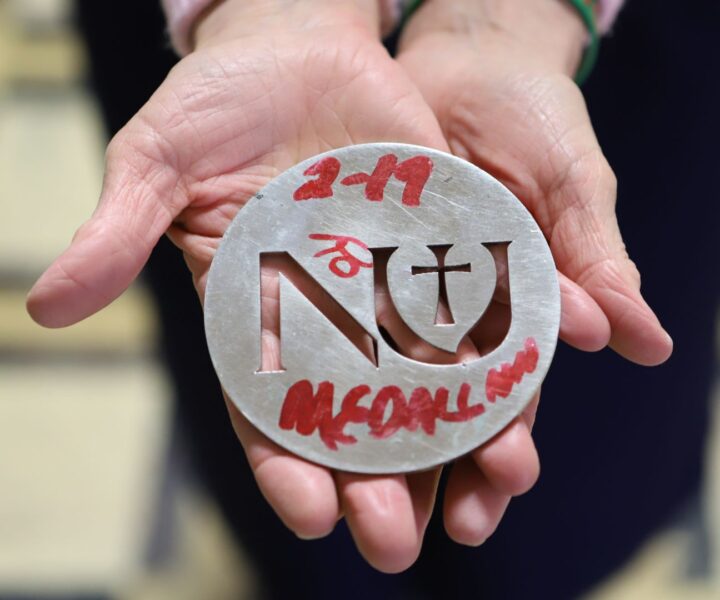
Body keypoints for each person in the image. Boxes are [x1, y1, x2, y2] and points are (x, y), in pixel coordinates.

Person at [32, 0, 718, 597]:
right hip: (246, 95)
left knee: (582, 457)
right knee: (301, 500)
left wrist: (512, 12)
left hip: (605, 55)